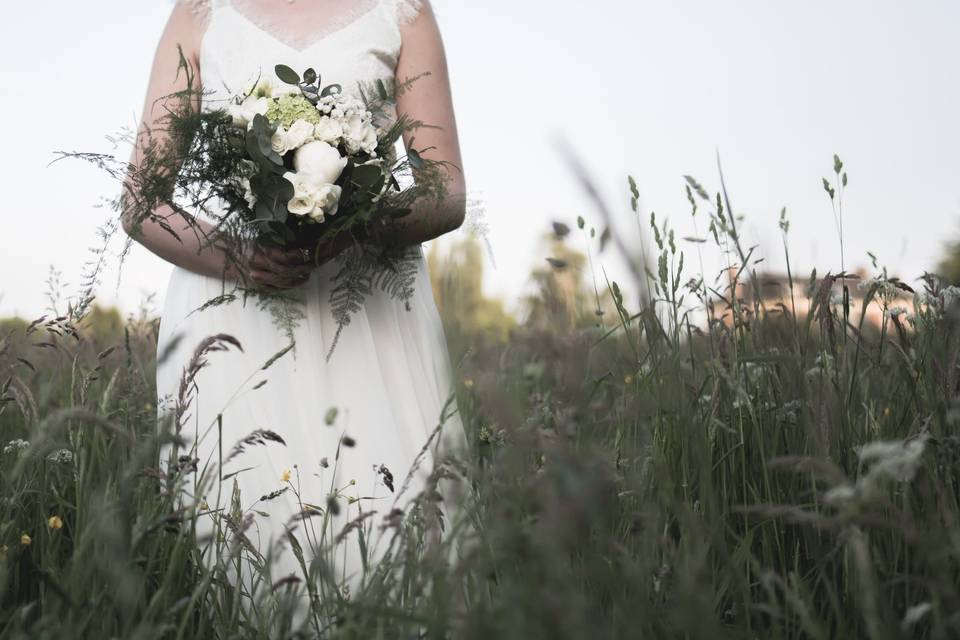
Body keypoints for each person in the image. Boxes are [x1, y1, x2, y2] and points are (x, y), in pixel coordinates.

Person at [125, 0, 468, 624]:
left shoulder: (404, 13)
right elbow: (141, 202)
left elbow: (444, 193)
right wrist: (234, 255)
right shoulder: (199, 13)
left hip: (367, 317)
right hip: (231, 315)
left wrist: (352, 226)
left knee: (388, 539)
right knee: (242, 546)